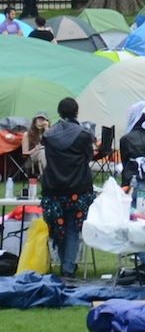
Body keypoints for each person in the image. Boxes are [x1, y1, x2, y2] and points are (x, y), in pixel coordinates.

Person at [40, 98, 95, 280]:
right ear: (76, 112)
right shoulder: (84, 135)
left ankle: (66, 263)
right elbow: (88, 158)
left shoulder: (48, 136)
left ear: (59, 112)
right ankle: (68, 268)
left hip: (53, 188)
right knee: (72, 228)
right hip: (77, 188)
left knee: (58, 227)